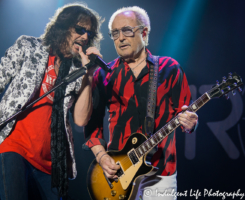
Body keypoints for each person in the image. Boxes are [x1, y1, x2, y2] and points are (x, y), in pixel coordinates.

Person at [0, 3, 103, 200]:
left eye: (89, 33)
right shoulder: (29, 46)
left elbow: (80, 119)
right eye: (80, 29)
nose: (85, 37)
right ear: (63, 26)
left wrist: (89, 75)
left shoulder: (79, 70)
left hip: (51, 160)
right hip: (12, 145)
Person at [84, 6, 198, 199]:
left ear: (144, 32)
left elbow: (186, 114)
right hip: (119, 174)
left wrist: (191, 123)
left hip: (161, 173)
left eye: (127, 31)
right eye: (115, 33)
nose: (120, 38)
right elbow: (92, 124)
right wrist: (102, 157)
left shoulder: (169, 68)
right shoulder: (104, 74)